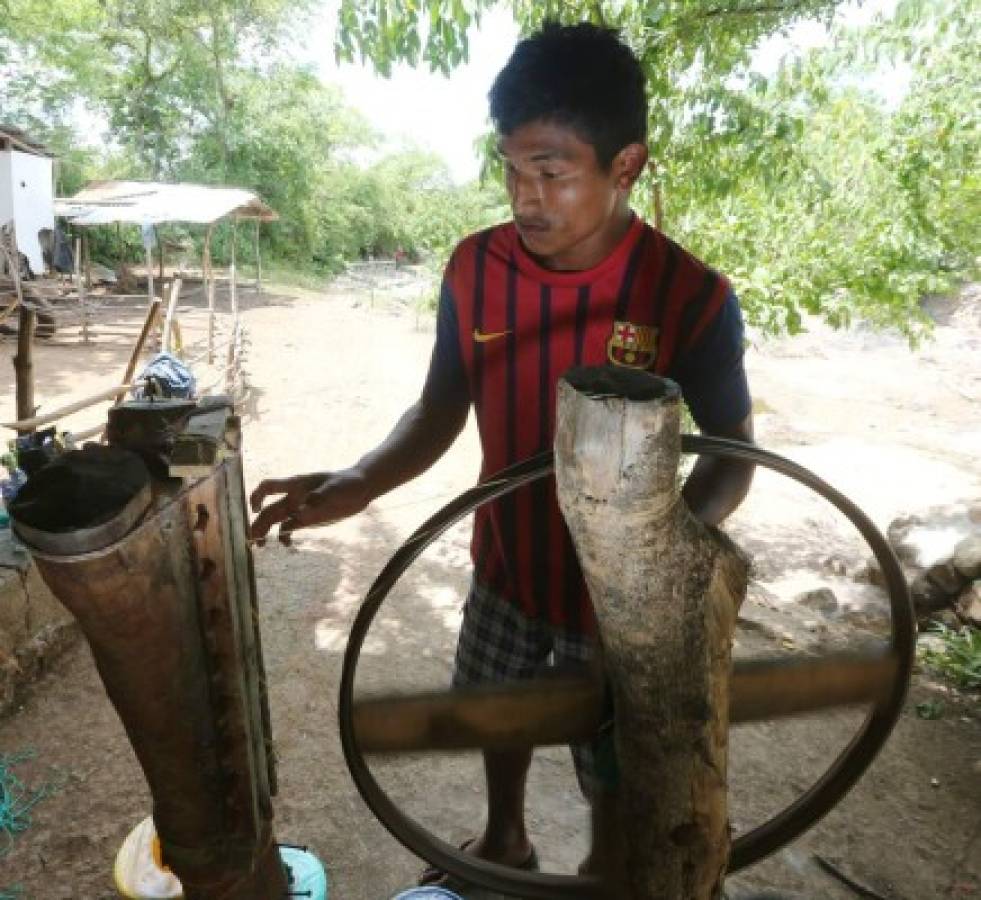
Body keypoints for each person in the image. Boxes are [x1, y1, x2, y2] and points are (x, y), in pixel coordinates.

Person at [250, 20, 755, 888]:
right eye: (511, 168)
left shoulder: (689, 296)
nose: (525, 197)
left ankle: (605, 866)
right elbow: (441, 405)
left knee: (613, 760)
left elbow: (734, 455)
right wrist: (359, 482)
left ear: (624, 166)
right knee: (496, 717)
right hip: (506, 566)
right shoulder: (473, 270)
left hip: (623, 605)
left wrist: (654, 568)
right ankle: (506, 838)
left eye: (551, 173)